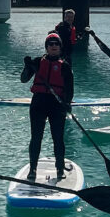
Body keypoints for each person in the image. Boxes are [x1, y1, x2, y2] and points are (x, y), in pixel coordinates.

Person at [21, 33, 74, 180]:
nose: (54, 46)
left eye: (56, 44)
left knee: (58, 138)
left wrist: (67, 103)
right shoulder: (37, 62)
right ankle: (32, 169)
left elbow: (70, 89)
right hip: (39, 103)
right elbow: (24, 79)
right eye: (51, 44)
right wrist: (27, 67)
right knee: (36, 137)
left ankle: (59, 169)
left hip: (57, 105)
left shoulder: (65, 66)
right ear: (46, 47)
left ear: (60, 47)